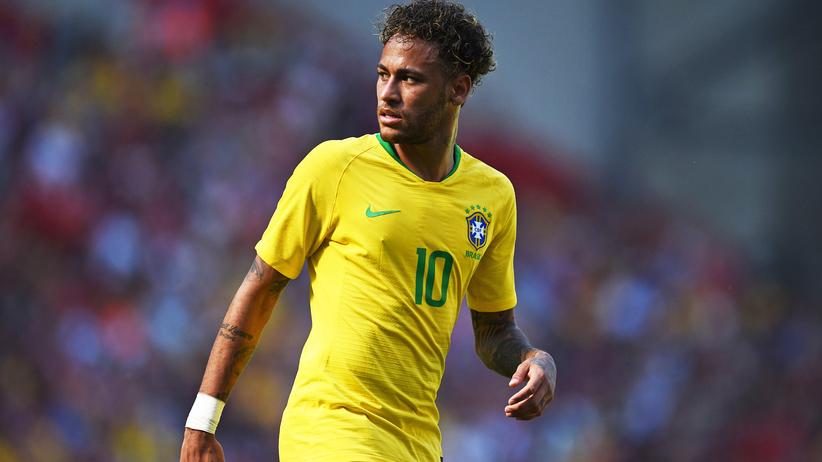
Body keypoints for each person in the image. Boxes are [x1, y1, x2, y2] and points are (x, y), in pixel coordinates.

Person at [180, 1, 556, 460]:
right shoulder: (335, 167)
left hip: (417, 442)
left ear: (458, 89)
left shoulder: (492, 196)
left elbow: (494, 331)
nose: (387, 93)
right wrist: (202, 423)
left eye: (410, 79)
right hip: (331, 427)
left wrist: (532, 358)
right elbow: (260, 288)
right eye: (383, 75)